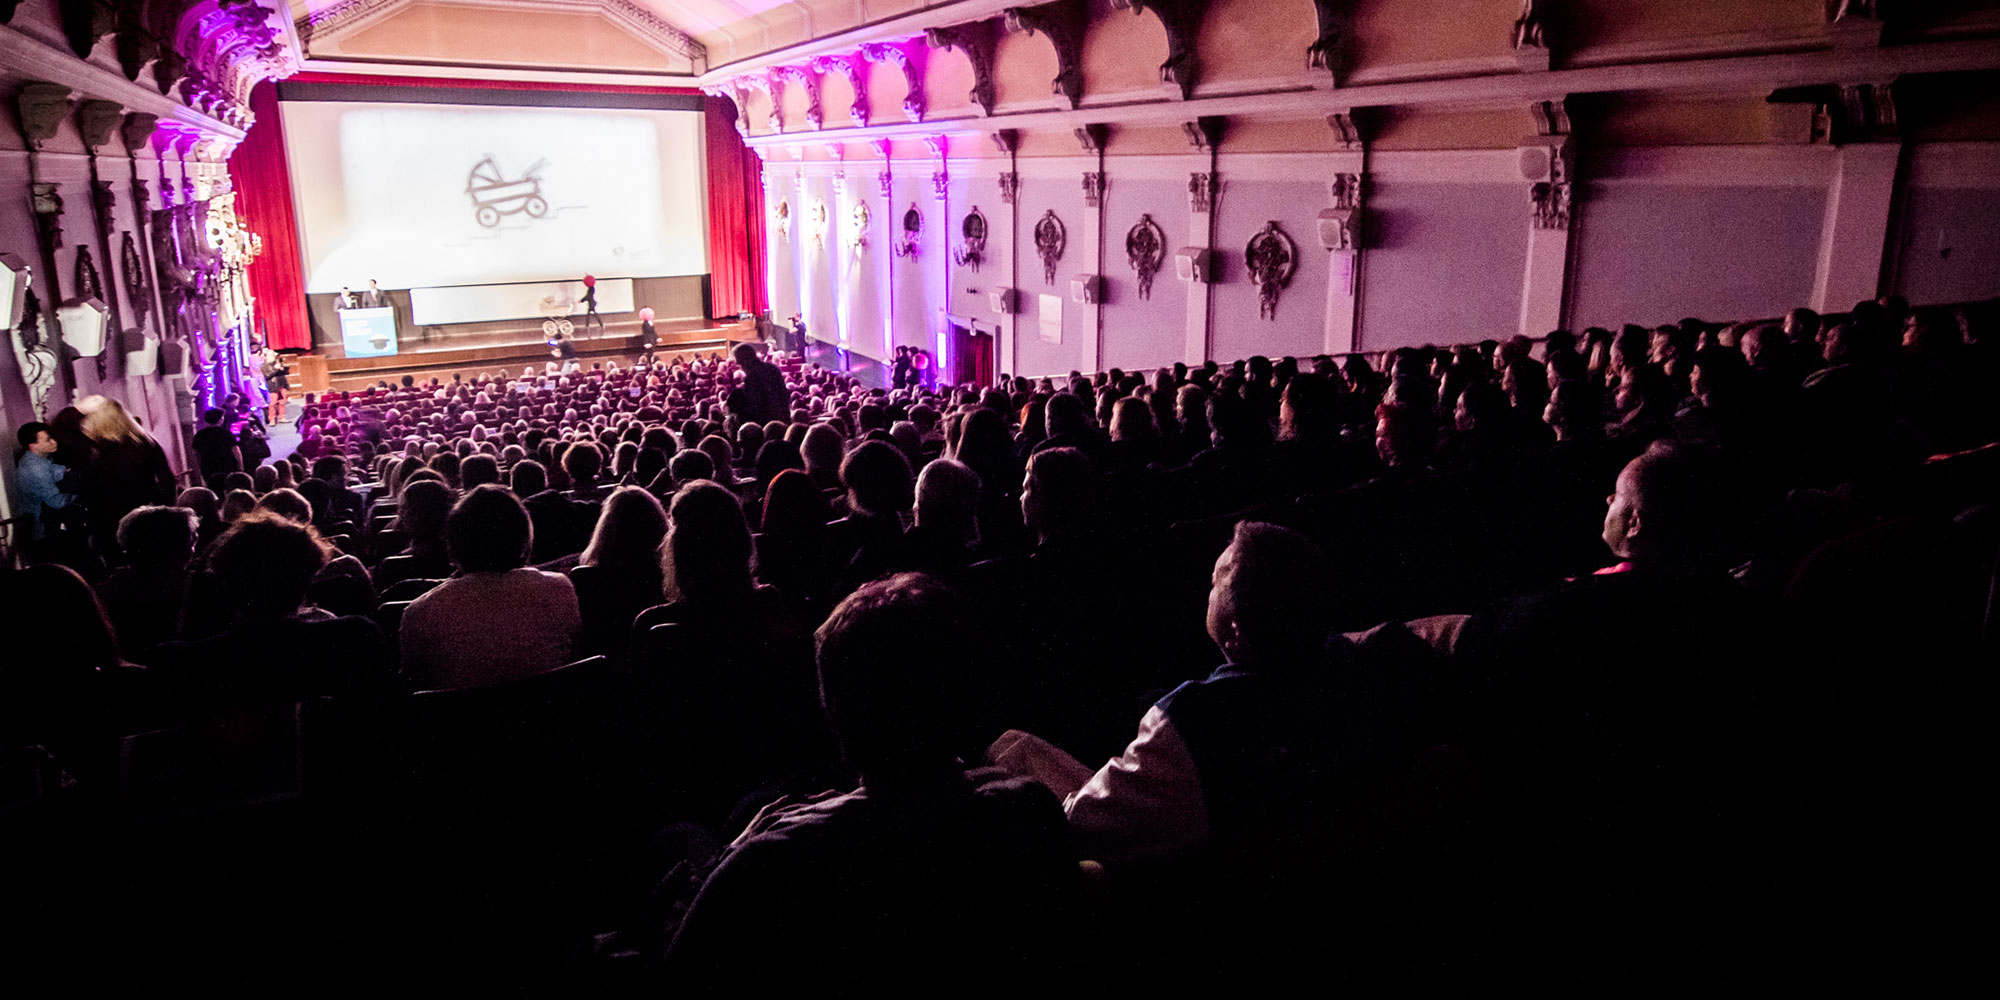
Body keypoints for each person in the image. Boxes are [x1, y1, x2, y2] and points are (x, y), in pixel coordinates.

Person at [661, 573, 1082, 991]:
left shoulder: (768, 864)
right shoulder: (1027, 812)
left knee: (680, 834)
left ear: (835, 713)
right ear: (972, 696)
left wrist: (724, 858)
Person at [399, 484, 580, 691]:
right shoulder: (560, 588)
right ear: (523, 535)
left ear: (454, 542)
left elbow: (413, 690)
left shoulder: (420, 613)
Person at [78, 396, 175, 553]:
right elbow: (166, 479)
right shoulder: (146, 443)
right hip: (146, 507)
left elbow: (90, 488)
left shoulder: (97, 450)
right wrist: (166, 506)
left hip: (110, 516)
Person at [14, 422, 79, 559]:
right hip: (43, 532)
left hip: (46, 523)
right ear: (33, 447)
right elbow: (57, 502)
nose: (53, 442)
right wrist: (77, 495)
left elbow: (57, 470)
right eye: (48, 440)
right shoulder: (35, 468)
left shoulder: (35, 458)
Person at [727, 342, 788, 424]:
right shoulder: (772, 368)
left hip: (767, 421)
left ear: (745, 361)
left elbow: (756, 405)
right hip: (783, 418)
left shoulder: (752, 377)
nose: (741, 368)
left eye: (740, 364)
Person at [190, 408, 241, 489]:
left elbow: (196, 454)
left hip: (208, 467)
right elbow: (235, 451)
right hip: (227, 466)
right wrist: (240, 467)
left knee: (214, 489)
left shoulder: (200, 435)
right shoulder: (226, 433)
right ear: (220, 420)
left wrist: (200, 467)